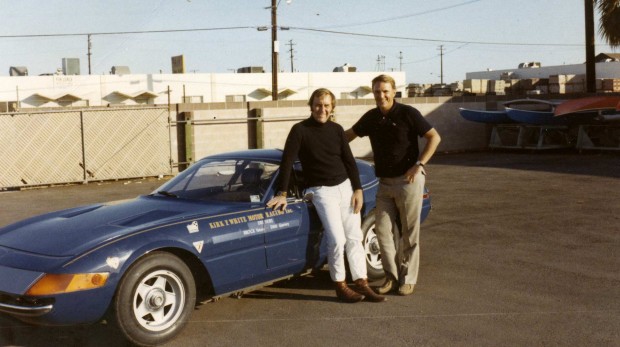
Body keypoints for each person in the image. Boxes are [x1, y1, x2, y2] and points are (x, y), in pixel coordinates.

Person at [267, 88, 385, 303]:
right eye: (318, 105)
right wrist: (282, 193)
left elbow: (349, 161)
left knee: (354, 237)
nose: (322, 109)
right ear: (311, 106)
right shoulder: (299, 130)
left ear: (332, 108)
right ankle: (340, 285)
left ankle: (362, 282)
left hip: (345, 188)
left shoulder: (337, 130)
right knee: (337, 239)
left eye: (327, 105)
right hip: (321, 191)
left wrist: (357, 189)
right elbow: (287, 162)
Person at [345, 74, 441, 296]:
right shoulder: (371, 117)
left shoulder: (408, 114)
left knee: (408, 233)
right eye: (377, 91)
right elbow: (348, 135)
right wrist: (325, 140)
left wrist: (419, 164)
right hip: (385, 184)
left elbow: (434, 137)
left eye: (385, 91)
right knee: (382, 231)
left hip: (408, 181)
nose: (381, 95)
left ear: (394, 91)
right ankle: (391, 276)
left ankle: (408, 278)